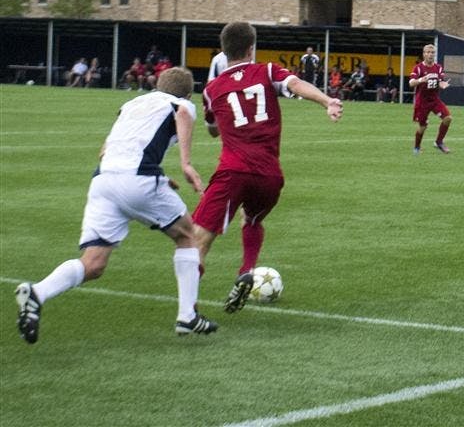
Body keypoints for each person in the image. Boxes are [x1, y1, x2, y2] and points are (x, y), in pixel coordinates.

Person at [14, 67, 218, 343]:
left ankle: (37, 293)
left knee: (93, 263)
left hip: (104, 181)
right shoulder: (181, 103)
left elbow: (106, 149)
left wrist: (155, 176)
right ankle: (187, 316)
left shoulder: (131, 104)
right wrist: (185, 164)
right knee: (188, 236)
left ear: (158, 84)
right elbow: (182, 113)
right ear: (187, 92)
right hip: (137, 179)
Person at [192, 21, 343, 314]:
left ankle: (189, 309)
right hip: (270, 176)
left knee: (198, 240)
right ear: (251, 48)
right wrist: (327, 101)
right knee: (251, 220)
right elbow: (296, 85)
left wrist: (223, 123)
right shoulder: (268, 71)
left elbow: (211, 128)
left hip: (233, 172)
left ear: (223, 52)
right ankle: (246, 269)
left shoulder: (212, 89)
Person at [409, 43, 452, 154]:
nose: (430, 54)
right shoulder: (418, 68)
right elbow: (411, 83)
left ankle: (439, 142)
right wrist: (420, 80)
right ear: (424, 54)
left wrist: (442, 85)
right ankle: (417, 148)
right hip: (422, 102)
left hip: (434, 100)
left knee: (448, 118)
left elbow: (440, 81)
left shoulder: (438, 67)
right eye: (428, 52)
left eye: (432, 52)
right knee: (423, 127)